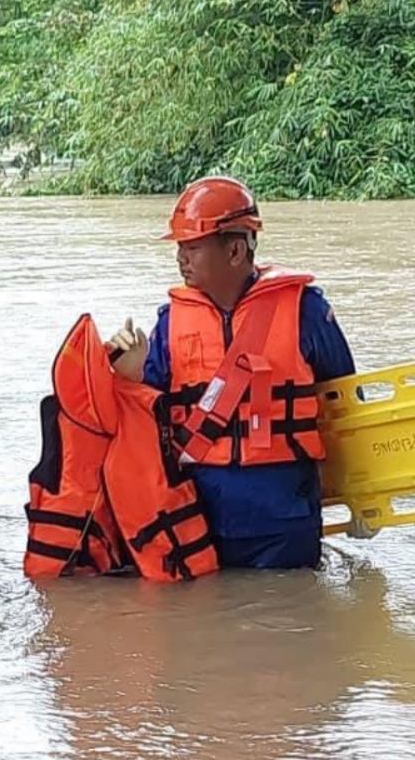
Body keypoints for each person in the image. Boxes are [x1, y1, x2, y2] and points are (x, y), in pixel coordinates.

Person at [107, 176, 355, 569]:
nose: (180, 258)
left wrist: (358, 498)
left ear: (236, 250)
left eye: (192, 247)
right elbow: (146, 424)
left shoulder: (306, 311)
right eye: (180, 247)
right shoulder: (170, 322)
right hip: (199, 520)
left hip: (285, 522)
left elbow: (346, 405)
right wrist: (129, 376)